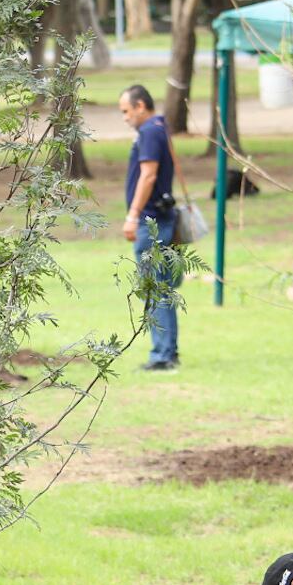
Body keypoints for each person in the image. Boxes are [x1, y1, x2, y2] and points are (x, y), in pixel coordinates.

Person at [118, 85, 179, 371]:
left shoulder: (150, 132)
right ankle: (168, 351)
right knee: (161, 287)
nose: (125, 117)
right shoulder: (159, 127)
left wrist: (133, 215)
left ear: (141, 105)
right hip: (160, 217)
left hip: (150, 220)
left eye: (126, 111)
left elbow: (148, 174)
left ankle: (162, 355)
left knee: (154, 288)